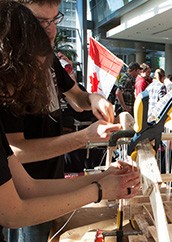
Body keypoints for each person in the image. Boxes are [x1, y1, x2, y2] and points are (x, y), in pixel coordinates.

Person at [0, 2, 140, 242]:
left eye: (55, 20)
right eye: (41, 22)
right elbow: (14, 212)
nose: (51, 30)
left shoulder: (43, 58)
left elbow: (28, 188)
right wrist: (98, 188)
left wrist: (102, 179)